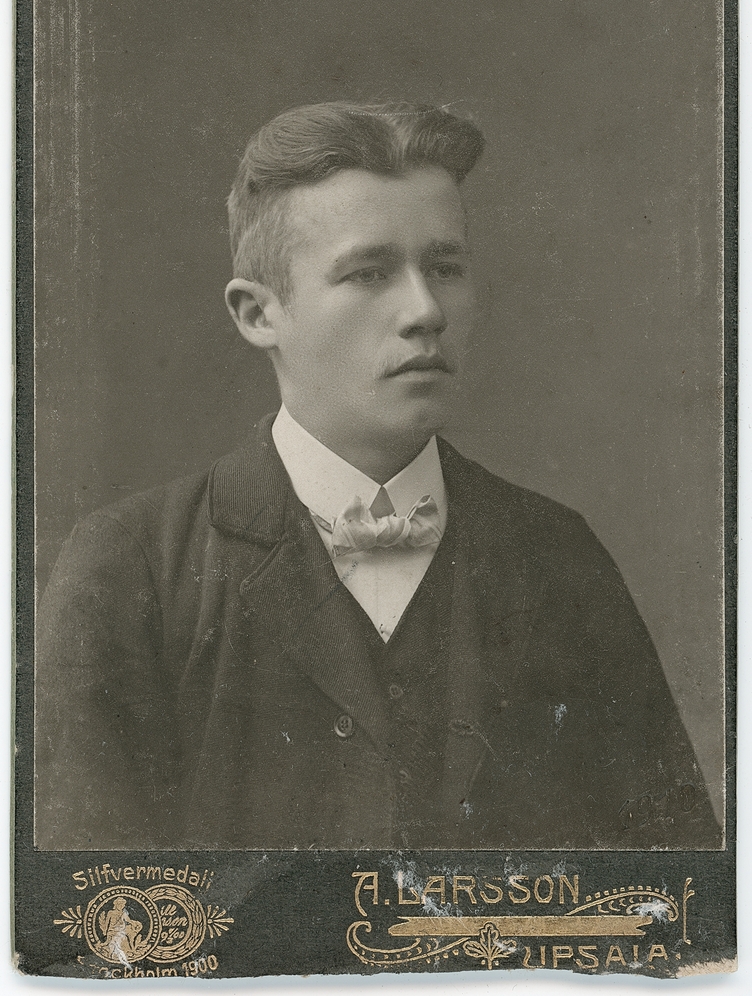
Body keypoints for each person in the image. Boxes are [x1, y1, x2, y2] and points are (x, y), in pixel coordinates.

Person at [35, 101, 720, 851]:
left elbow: (669, 893)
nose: (426, 311)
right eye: (368, 273)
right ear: (258, 314)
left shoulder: (558, 557)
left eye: (445, 268)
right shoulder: (133, 565)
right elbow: (91, 908)